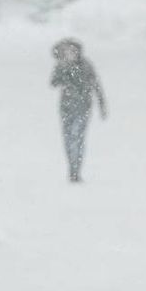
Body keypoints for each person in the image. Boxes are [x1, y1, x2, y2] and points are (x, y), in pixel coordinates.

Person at [50, 38, 107, 183]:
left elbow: (96, 85)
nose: (70, 54)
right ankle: (72, 166)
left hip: (83, 107)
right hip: (66, 108)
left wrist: (102, 105)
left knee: (79, 137)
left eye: (72, 51)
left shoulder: (86, 66)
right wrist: (64, 70)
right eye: (67, 52)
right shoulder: (61, 66)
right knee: (68, 138)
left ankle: (76, 170)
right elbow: (53, 82)